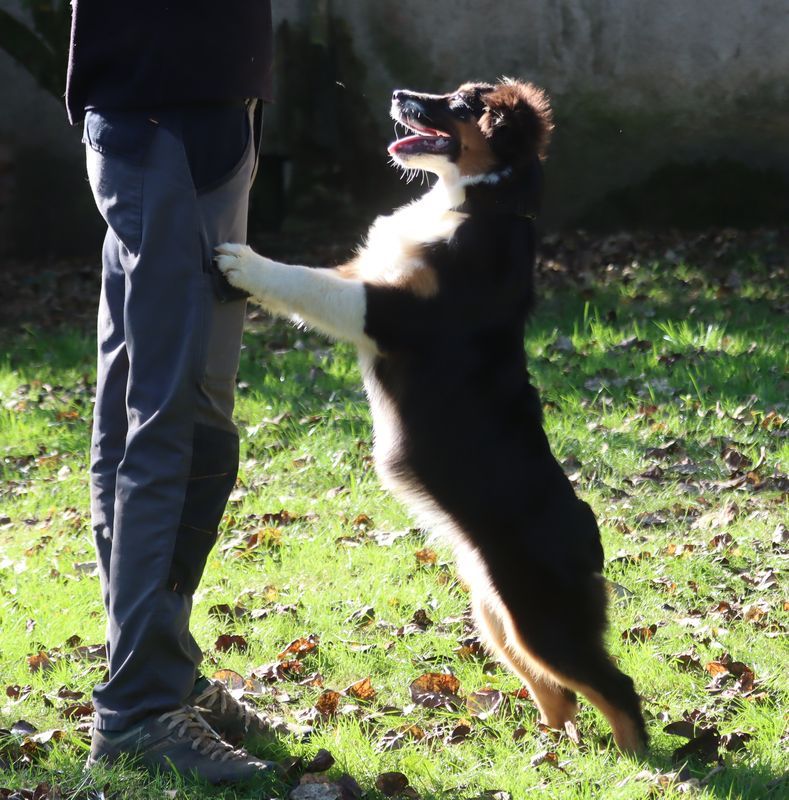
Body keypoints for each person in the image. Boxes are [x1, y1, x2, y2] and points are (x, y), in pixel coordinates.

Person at [66, 1, 280, 783]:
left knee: (149, 418)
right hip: (164, 124)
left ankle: (158, 672)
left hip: (189, 115)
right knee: (176, 427)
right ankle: (141, 709)